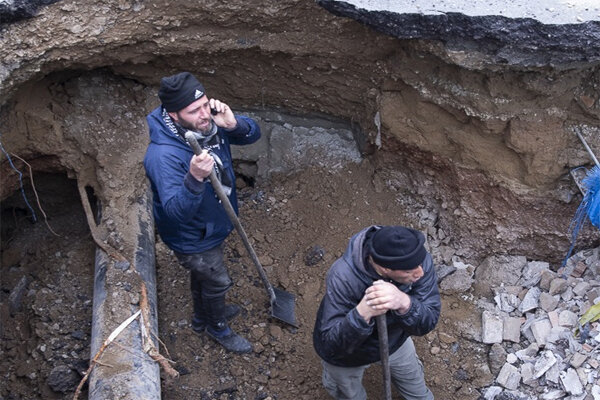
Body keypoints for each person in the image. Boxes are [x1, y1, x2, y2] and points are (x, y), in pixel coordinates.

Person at [144, 72, 261, 354]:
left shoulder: (207, 125)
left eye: (205, 105)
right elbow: (175, 213)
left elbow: (252, 135)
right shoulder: (163, 156)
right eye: (193, 110)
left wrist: (234, 125)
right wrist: (194, 178)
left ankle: (201, 318)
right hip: (193, 236)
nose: (204, 114)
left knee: (203, 277)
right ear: (173, 115)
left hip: (212, 222)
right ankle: (216, 326)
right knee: (217, 280)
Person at [313, 225, 441, 400]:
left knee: (417, 390)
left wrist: (404, 303)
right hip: (349, 355)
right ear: (385, 269)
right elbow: (331, 346)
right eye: (409, 271)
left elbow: (428, 320)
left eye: (419, 264)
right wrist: (362, 313)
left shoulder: (416, 260)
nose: (421, 272)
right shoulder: (342, 277)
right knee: (349, 394)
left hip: (394, 340)